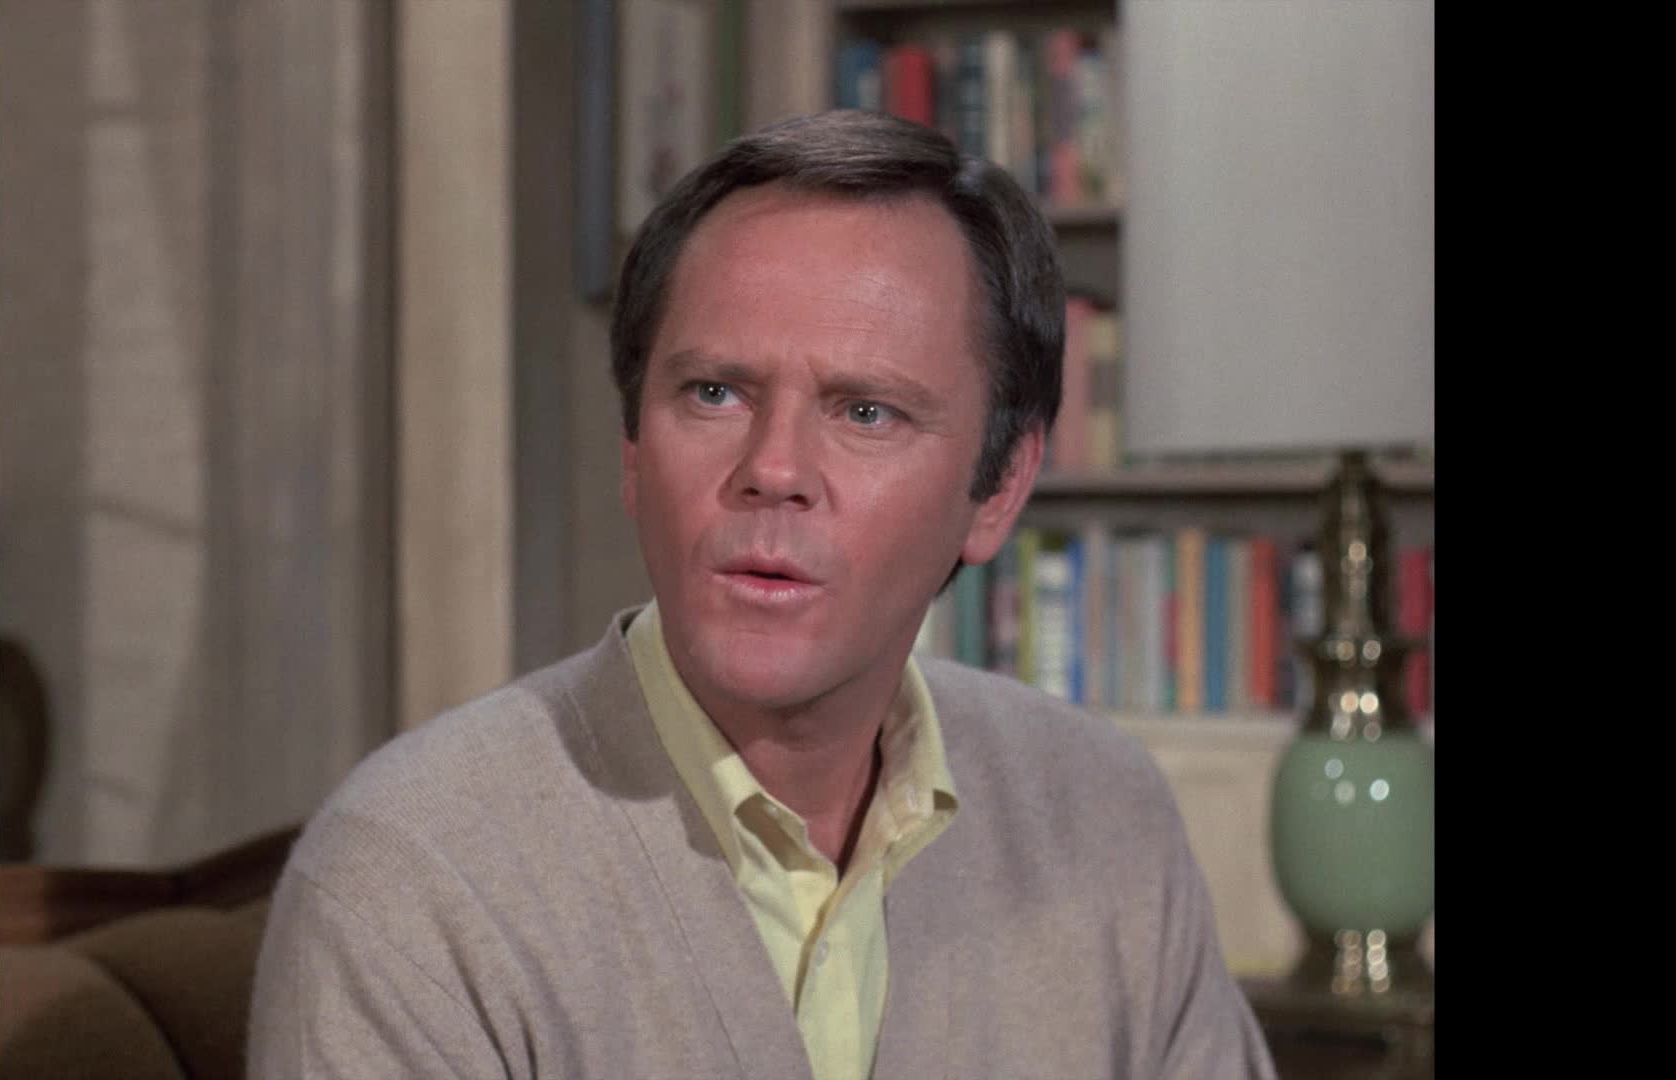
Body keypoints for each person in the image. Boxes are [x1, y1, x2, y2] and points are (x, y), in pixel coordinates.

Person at [249, 110, 1276, 1080]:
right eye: (714, 393)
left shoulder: (1104, 816)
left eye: (865, 412)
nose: (773, 469)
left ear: (999, 487)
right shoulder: (415, 878)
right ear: (634, 450)